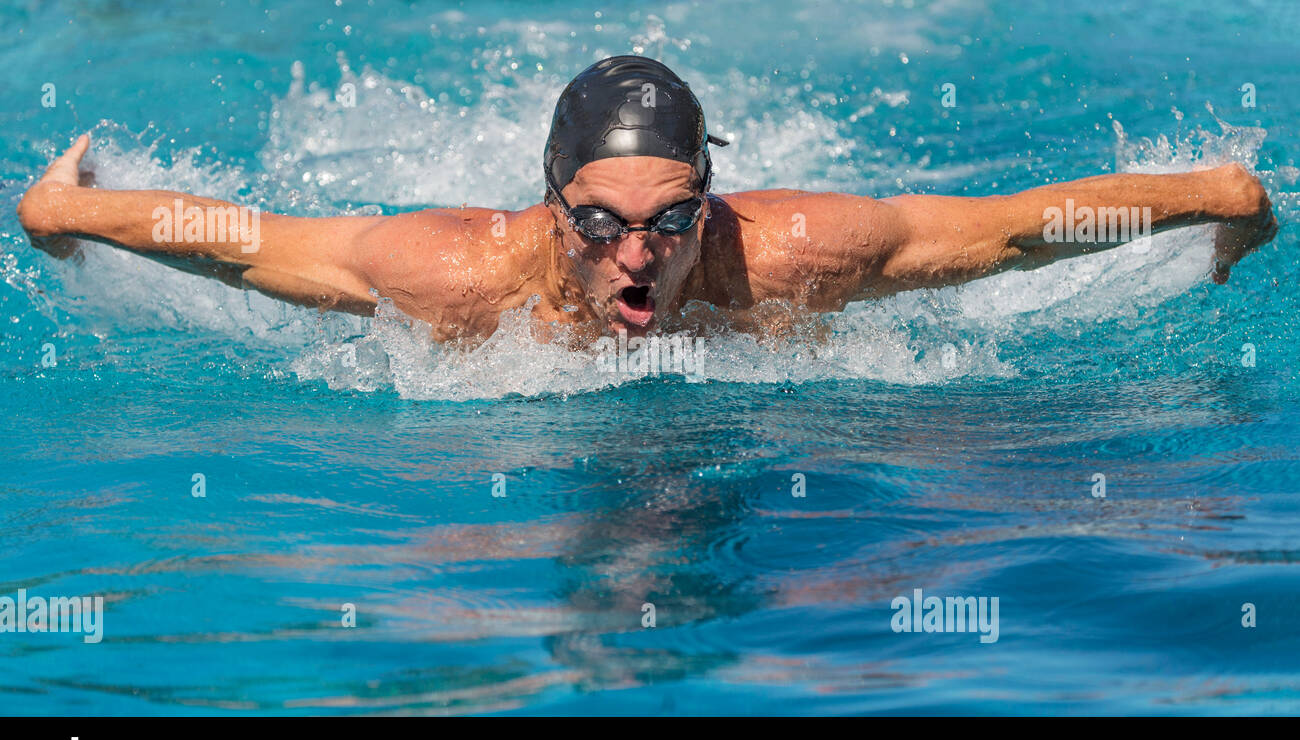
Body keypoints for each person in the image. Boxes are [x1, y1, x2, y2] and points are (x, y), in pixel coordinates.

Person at [17, 55, 1277, 345]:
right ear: (548, 206)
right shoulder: (458, 272)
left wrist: (1214, 197)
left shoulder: (788, 252)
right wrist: (68, 213)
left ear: (709, 207)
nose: (638, 255)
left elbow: (1016, 225)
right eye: (600, 222)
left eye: (671, 222)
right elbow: (243, 243)